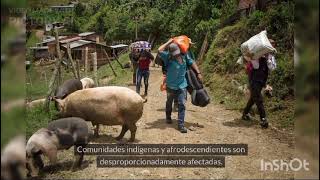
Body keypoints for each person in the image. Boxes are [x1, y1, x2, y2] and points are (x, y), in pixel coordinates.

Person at [158, 38, 202, 133]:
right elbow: (159, 50)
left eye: (177, 52)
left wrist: (198, 73)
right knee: (169, 102)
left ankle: (180, 125)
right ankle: (168, 117)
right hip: (170, 86)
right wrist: (169, 41)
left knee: (182, 104)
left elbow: (192, 62)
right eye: (174, 53)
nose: (176, 54)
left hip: (182, 85)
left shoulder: (184, 56)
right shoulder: (167, 57)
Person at [242, 39, 277, 128]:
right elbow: (255, 64)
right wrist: (254, 55)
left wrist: (268, 57)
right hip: (254, 81)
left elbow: (272, 67)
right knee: (259, 99)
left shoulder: (270, 57)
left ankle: (245, 114)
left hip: (261, 81)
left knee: (253, 99)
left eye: (272, 45)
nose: (271, 47)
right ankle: (263, 119)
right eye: (270, 45)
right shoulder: (257, 55)